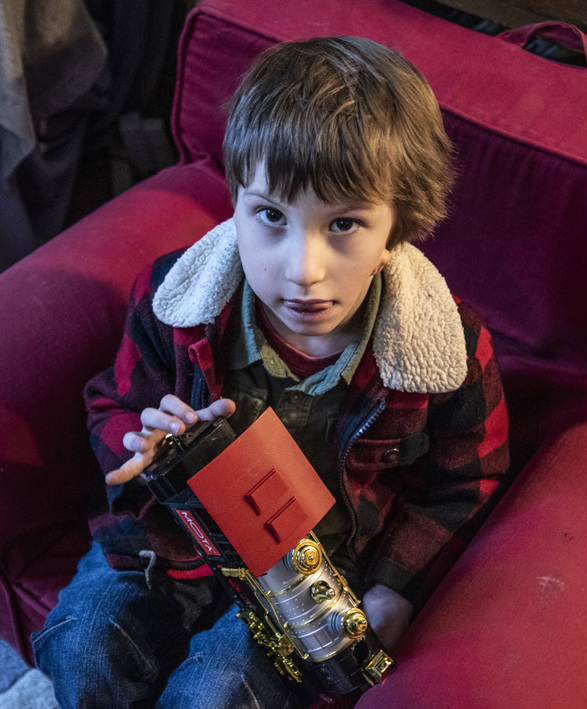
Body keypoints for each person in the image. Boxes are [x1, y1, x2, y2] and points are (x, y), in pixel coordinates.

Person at [32, 36, 509, 709]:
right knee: (83, 647)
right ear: (234, 204)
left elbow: (467, 481)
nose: (302, 269)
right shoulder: (178, 299)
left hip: (313, 570)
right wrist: (138, 443)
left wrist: (395, 586)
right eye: (270, 217)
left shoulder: (441, 348)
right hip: (172, 539)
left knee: (217, 693)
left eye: (344, 223)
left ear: (397, 227)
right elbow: (111, 405)